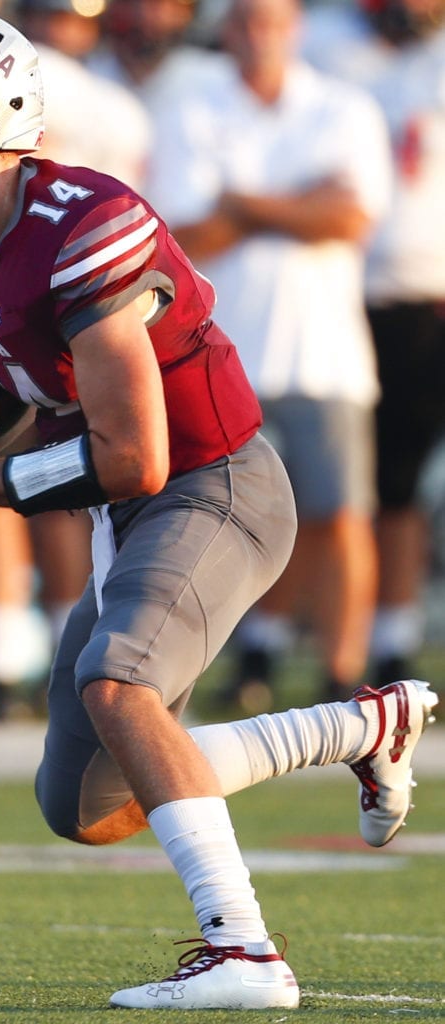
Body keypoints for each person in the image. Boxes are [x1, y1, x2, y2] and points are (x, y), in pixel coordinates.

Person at [0, 5, 438, 1009]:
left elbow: (131, 455)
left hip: (213, 485)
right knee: (84, 804)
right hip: (133, 510)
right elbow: (30, 371)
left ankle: (244, 952)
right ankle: (358, 729)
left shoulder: (84, 223)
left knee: (119, 687)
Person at [138, 0, 393, 708]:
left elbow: (349, 218)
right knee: (235, 518)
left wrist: (243, 203)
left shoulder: (342, 106)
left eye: (270, 21)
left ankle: (345, 673)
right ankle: (254, 655)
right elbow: (181, 237)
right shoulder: (192, 108)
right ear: (227, 31)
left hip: (321, 352)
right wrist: (297, 205)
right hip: (220, 355)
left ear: (295, 28)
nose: (258, 35)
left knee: (338, 514)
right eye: (245, 21)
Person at [301, 0, 445, 685]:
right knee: (355, 484)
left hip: (427, 289)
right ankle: (367, 640)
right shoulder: (324, 46)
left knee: (395, 485)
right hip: (346, 294)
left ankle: (391, 639)